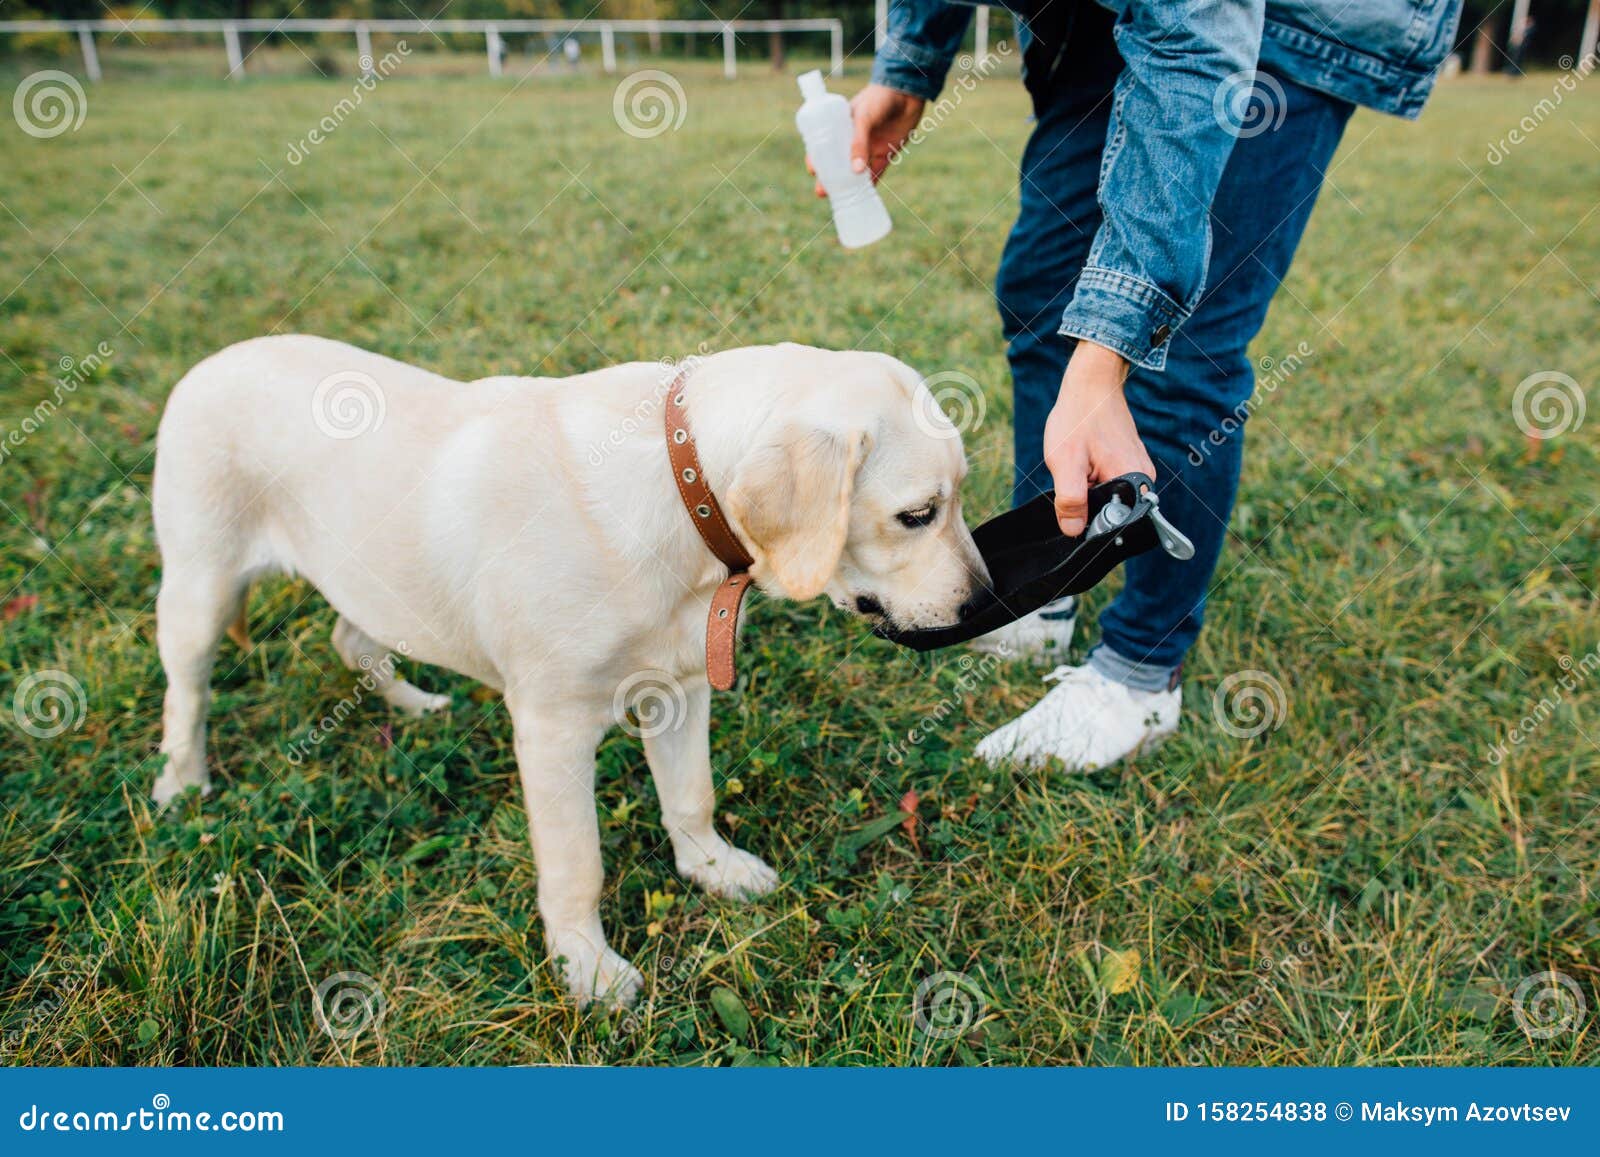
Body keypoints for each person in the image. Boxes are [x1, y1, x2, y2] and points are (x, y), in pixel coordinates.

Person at [832, 0, 1462, 770]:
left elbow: (1197, 49)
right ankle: (1045, 588)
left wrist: (1105, 361)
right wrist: (908, 70)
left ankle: (1139, 675)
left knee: (1185, 339)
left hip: (1281, 27)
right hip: (1099, 22)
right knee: (1040, 291)